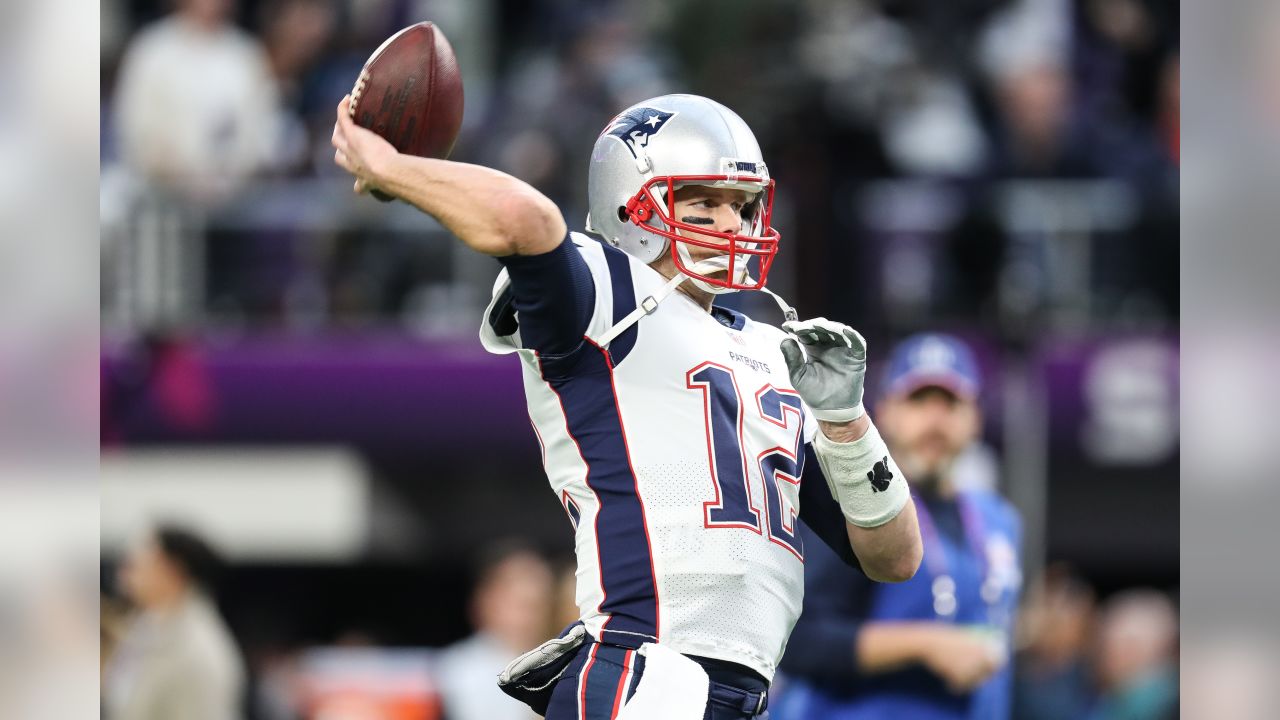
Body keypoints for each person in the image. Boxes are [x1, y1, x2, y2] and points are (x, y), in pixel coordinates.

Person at [332, 91, 923, 720]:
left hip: (744, 692)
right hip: (648, 673)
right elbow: (526, 223)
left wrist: (846, 421)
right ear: (631, 202)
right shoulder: (610, 290)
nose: (731, 225)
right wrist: (391, 167)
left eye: (742, 206)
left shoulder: (775, 350)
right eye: (703, 201)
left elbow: (894, 557)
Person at [772, 333, 1023, 720]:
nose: (935, 420)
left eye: (951, 403)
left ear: (975, 419)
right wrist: (925, 645)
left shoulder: (998, 520)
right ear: (886, 411)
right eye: (918, 401)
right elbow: (795, 640)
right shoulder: (855, 506)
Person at [103, 524, 246, 720]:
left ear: (172, 570)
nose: (125, 573)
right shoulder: (144, 627)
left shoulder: (198, 648)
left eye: (136, 563)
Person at [436, 544, 556, 720]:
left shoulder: (560, 663)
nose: (532, 618)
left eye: (541, 604)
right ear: (487, 602)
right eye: (522, 604)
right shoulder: (457, 671)